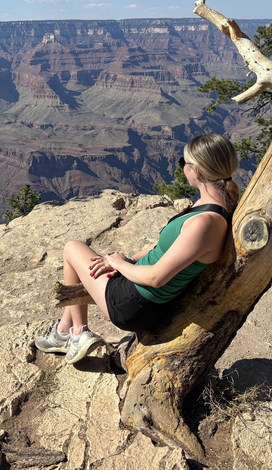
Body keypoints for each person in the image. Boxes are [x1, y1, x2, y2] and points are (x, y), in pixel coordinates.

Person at [35, 133, 240, 364]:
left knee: (72, 248)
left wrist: (117, 263)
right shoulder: (211, 207)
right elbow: (162, 247)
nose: (182, 169)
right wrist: (129, 260)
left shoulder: (205, 223)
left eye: (184, 163)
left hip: (134, 303)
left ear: (197, 171)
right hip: (141, 294)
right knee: (90, 266)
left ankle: (77, 333)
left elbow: (155, 278)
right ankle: (64, 330)